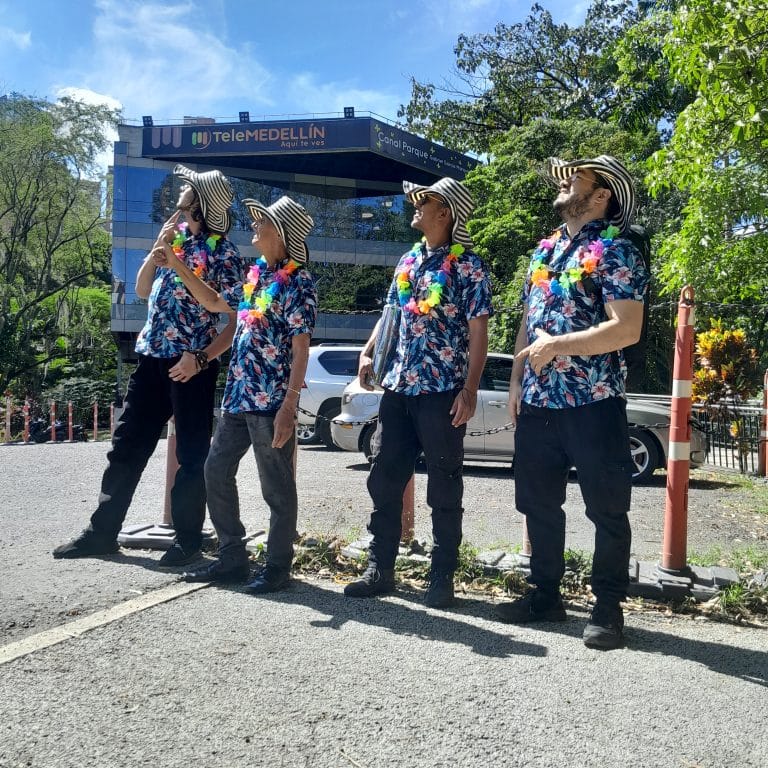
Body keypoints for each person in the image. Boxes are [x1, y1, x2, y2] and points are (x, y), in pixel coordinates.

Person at [54, 165, 243, 567]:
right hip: (151, 357)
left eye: (181, 205)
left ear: (200, 207)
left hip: (191, 364)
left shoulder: (223, 253)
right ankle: (102, 532)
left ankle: (188, 539)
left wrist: (204, 356)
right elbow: (141, 290)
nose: (173, 213)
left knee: (191, 457)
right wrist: (156, 255)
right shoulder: (171, 245)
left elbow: (223, 309)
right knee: (125, 446)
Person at [495, 155, 649, 650]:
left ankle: (607, 607)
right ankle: (545, 596)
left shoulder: (617, 250)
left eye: (576, 179)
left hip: (593, 400)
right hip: (539, 400)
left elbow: (626, 328)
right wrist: (517, 379)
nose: (564, 184)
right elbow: (527, 320)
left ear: (601, 195)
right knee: (538, 502)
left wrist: (556, 347)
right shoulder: (543, 251)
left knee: (607, 508)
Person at [345, 177, 492, 608]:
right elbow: (390, 312)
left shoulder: (469, 266)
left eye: (423, 201)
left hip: (442, 390)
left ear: (444, 213)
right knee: (384, 478)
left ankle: (442, 575)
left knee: (444, 484)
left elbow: (478, 332)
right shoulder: (408, 261)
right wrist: (369, 351)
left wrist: (470, 388)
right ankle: (380, 568)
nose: (415, 205)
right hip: (399, 387)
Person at [168, 196, 317, 593]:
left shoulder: (299, 283)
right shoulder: (255, 279)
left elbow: (301, 349)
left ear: (281, 233)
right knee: (215, 470)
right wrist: (178, 263)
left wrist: (289, 406)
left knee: (276, 488)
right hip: (237, 397)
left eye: (262, 221)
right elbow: (214, 301)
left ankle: (277, 567)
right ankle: (232, 557)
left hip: (271, 404)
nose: (253, 225)